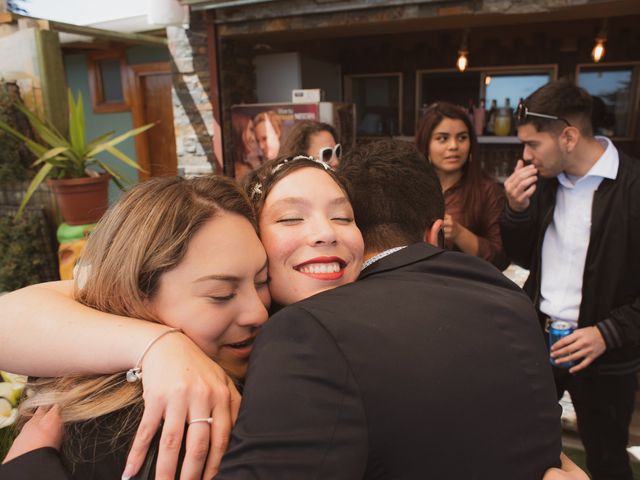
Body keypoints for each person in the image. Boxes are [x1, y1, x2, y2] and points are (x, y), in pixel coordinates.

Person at [214, 139, 562, 478]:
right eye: (291, 218)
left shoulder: (318, 331)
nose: (325, 233)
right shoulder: (288, 335)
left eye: (343, 217)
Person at [0, 157, 364, 479]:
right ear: (136, 294)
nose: (257, 312)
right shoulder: (165, 429)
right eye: (221, 295)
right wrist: (156, 345)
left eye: (261, 281)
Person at [501, 80, 640, 480]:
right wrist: (514, 209)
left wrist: (608, 332)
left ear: (568, 136)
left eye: (532, 144)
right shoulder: (543, 183)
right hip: (540, 337)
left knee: (607, 459)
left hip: (606, 352)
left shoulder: (633, 186)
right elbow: (522, 256)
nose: (525, 156)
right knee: (527, 443)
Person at [416, 102, 509, 270]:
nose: (454, 146)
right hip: (415, 282)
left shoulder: (488, 191)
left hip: (468, 287)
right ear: (426, 144)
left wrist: (459, 233)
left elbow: (501, 259)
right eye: (442, 138)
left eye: (462, 138)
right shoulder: (411, 187)